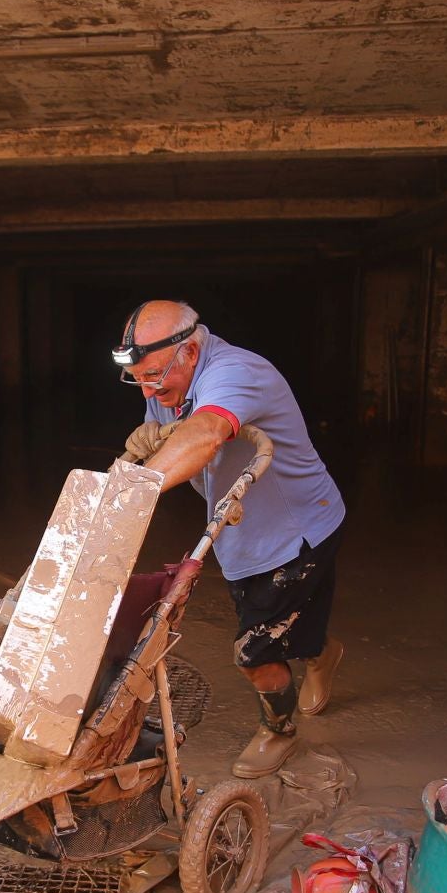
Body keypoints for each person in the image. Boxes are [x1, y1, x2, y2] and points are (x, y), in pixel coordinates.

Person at [117, 299, 346, 779]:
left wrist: (125, 496)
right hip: (243, 529)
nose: (148, 387)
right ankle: (319, 649)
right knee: (280, 620)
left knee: (254, 650)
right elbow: (179, 424)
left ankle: (278, 732)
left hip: (296, 530)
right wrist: (157, 434)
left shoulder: (239, 372)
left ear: (191, 353)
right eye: (137, 377)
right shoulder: (163, 377)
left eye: (154, 374)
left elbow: (204, 434)